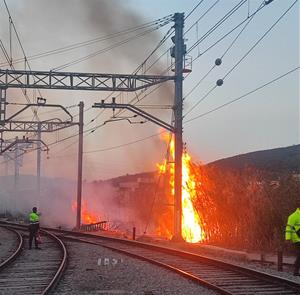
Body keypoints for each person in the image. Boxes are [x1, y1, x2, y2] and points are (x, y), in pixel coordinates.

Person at [285, 207, 300, 276]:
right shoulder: (293, 216)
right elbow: (288, 228)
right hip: (297, 238)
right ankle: (296, 271)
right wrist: (288, 238)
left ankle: (296, 269)